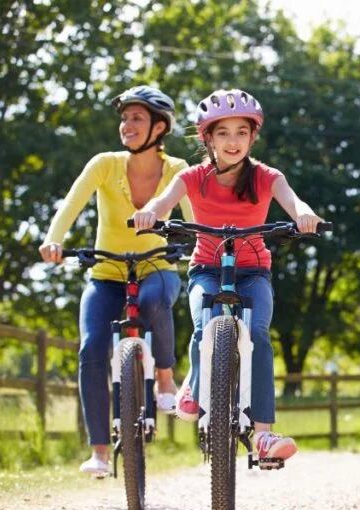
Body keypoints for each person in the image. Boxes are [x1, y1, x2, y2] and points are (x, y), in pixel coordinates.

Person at [132, 89, 323, 464]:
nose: (232, 141)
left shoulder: (267, 177)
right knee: (204, 324)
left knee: (257, 335)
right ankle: (196, 384)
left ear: (253, 137)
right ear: (207, 138)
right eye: (223, 133)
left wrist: (305, 215)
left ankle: (264, 436)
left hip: (254, 272)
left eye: (241, 132)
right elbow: (162, 202)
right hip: (206, 267)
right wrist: (150, 213)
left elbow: (294, 201)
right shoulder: (192, 177)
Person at [39, 86, 193, 477]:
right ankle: (100, 453)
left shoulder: (177, 171)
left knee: (157, 302)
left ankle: (164, 377)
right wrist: (54, 240)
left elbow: (193, 222)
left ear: (160, 127)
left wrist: (200, 249)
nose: (126, 125)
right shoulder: (104, 164)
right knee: (92, 347)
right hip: (106, 272)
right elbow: (71, 204)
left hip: (156, 266)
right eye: (124, 118)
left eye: (136, 118)